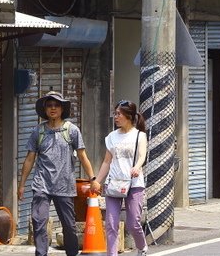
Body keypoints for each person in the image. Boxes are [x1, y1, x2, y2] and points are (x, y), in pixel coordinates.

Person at [19, 91, 97, 256]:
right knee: (39, 221)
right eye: (49, 105)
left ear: (62, 109)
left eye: (56, 105)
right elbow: (29, 159)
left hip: (64, 185)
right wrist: (21, 185)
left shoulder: (72, 130)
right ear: (45, 109)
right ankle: (41, 254)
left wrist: (93, 179)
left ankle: (72, 253)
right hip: (42, 184)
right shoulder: (38, 131)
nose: (53, 108)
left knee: (69, 225)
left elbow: (83, 156)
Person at [94, 100, 149, 256]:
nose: (115, 117)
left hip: (134, 184)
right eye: (115, 113)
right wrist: (97, 181)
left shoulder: (139, 136)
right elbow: (106, 161)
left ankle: (142, 247)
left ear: (129, 116)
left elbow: (142, 156)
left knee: (133, 223)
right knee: (111, 224)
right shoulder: (112, 137)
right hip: (114, 183)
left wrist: (137, 167)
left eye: (118, 114)